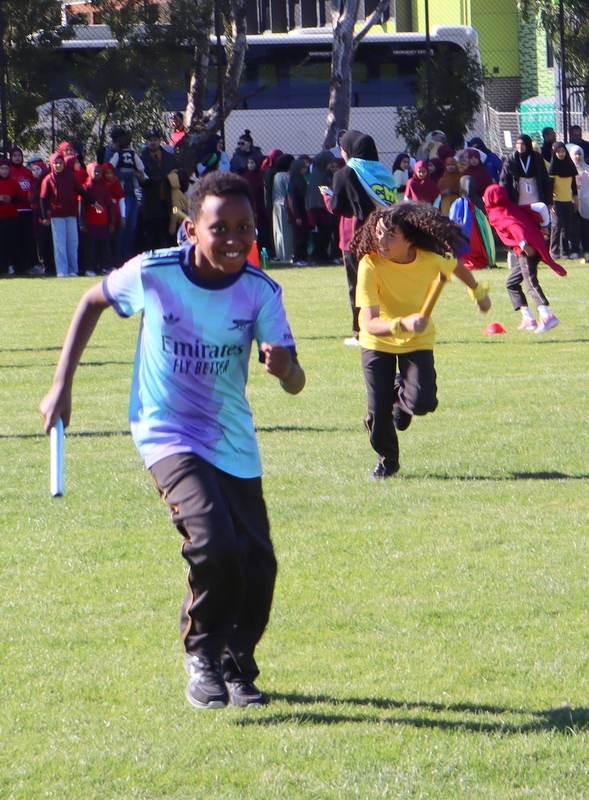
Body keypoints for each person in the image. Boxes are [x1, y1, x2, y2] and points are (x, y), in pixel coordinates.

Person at [39, 170, 306, 710]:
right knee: (214, 540)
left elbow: (297, 382)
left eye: (245, 228)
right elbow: (91, 301)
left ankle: (236, 665)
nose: (234, 239)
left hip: (231, 438)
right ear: (191, 229)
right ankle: (203, 656)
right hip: (165, 430)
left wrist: (285, 369)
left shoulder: (260, 290)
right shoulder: (155, 271)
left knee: (258, 566)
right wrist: (62, 384)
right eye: (220, 227)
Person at [350, 203, 490, 478]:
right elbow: (369, 323)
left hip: (417, 339)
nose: (381, 240)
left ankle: (401, 397)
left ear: (409, 240)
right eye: (378, 233)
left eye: (390, 235)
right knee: (378, 411)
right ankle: (387, 461)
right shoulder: (369, 264)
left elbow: (456, 266)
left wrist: (478, 293)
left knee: (423, 402)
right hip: (378, 340)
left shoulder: (431, 258)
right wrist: (403, 323)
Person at [330, 130, 396, 346]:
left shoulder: (346, 172)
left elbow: (337, 207)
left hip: (354, 237)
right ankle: (388, 325)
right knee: (382, 283)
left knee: (358, 285)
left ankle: (360, 331)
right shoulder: (383, 172)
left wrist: (327, 198)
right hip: (382, 235)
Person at [483, 184, 566, 333]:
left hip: (527, 250)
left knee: (530, 283)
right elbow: (541, 207)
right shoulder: (513, 207)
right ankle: (528, 318)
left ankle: (546, 315)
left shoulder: (497, 213)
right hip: (535, 244)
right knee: (512, 283)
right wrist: (545, 226)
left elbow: (514, 226)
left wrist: (524, 244)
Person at [40, 153, 102, 278]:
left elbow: (81, 191)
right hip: (57, 215)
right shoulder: (49, 179)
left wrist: (94, 203)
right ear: (51, 165)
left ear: (64, 164)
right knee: (60, 243)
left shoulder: (71, 176)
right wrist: (44, 216)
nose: (58, 165)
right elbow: (43, 198)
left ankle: (73, 270)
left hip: (71, 214)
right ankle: (62, 270)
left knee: (73, 242)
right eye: (55, 163)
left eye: (60, 163)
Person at [138, 128, 179, 251]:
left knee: (171, 235)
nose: (153, 142)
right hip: (151, 203)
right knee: (153, 238)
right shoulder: (141, 159)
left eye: (155, 139)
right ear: (146, 142)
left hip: (169, 202)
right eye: (150, 140)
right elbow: (140, 179)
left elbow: (179, 172)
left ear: (159, 141)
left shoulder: (170, 158)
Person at [109, 132, 145, 263]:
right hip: (122, 195)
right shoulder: (120, 155)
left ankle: (127, 256)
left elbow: (141, 172)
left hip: (132, 194)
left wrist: (138, 175)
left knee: (131, 227)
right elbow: (111, 170)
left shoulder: (120, 155)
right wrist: (132, 173)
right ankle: (118, 257)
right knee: (123, 226)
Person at [449, 176, 496, 270]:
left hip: (464, 236)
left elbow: (453, 219)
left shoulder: (458, 202)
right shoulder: (479, 201)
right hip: (480, 235)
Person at [79, 162, 114, 276]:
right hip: (90, 221)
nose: (98, 173)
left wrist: (111, 222)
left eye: (99, 171)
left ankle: (106, 267)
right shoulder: (86, 186)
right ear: (90, 172)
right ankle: (89, 269)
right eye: (95, 171)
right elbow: (81, 205)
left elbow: (109, 205)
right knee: (90, 247)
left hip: (103, 221)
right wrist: (82, 223)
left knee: (105, 246)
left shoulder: (105, 186)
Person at [305, 149, 338, 262]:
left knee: (326, 232)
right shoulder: (318, 174)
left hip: (323, 207)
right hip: (320, 208)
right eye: (330, 162)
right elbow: (319, 191)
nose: (331, 165)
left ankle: (322, 254)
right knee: (324, 232)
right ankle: (318, 255)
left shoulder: (321, 172)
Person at [499, 134, 551, 206]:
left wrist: (549, 200)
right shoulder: (511, 159)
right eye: (518, 143)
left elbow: (544, 178)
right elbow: (504, 180)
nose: (520, 146)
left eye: (523, 144)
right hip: (517, 197)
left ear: (528, 144)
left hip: (535, 196)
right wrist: (503, 199)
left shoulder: (536, 157)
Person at [548, 142, 579, 259]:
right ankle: (554, 251)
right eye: (558, 152)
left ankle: (565, 252)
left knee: (567, 226)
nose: (561, 154)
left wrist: (576, 201)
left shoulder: (570, 167)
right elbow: (550, 187)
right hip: (556, 201)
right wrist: (550, 203)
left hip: (568, 200)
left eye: (563, 151)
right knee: (557, 224)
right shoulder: (553, 168)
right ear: (554, 153)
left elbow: (574, 186)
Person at [9, 146, 36, 275]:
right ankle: (13, 265)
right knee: (15, 240)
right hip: (14, 212)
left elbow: (32, 187)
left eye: (19, 155)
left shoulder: (28, 172)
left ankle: (28, 265)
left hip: (27, 210)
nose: (17, 158)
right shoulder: (9, 171)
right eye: (14, 156)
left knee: (27, 240)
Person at [0, 157, 26, 277]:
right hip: (1, 218)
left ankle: (18, 268)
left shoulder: (14, 182)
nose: (4, 171)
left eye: (6, 168)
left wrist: (10, 199)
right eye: (2, 169)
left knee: (14, 244)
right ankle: (2, 269)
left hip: (12, 218)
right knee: (2, 245)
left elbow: (20, 199)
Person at [287, 158, 310, 266]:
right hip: (297, 214)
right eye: (303, 168)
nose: (305, 170)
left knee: (304, 235)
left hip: (303, 212)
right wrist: (297, 216)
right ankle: (298, 258)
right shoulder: (293, 184)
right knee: (298, 236)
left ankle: (303, 258)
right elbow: (293, 201)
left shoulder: (301, 180)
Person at [272, 153, 294, 263]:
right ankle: (287, 255)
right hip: (284, 204)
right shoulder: (286, 176)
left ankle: (279, 254)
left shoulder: (276, 175)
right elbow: (288, 190)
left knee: (278, 231)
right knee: (285, 231)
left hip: (276, 204)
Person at [568, 144, 589, 260]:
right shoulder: (568, 169)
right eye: (575, 154)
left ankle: (587, 249)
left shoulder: (587, 169)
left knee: (586, 227)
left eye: (579, 154)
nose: (577, 157)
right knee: (574, 227)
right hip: (572, 201)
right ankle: (574, 249)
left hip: (586, 202)